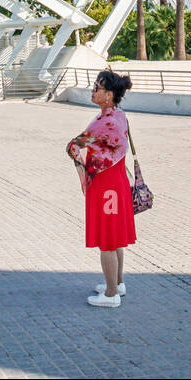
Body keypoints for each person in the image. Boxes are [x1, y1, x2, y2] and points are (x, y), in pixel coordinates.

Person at [66, 69, 137, 307]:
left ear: (108, 95)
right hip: (117, 182)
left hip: (105, 185)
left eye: (97, 87)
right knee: (115, 238)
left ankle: (110, 295)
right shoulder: (119, 114)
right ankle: (117, 283)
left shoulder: (102, 122)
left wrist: (82, 170)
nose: (92, 90)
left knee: (107, 240)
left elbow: (74, 146)